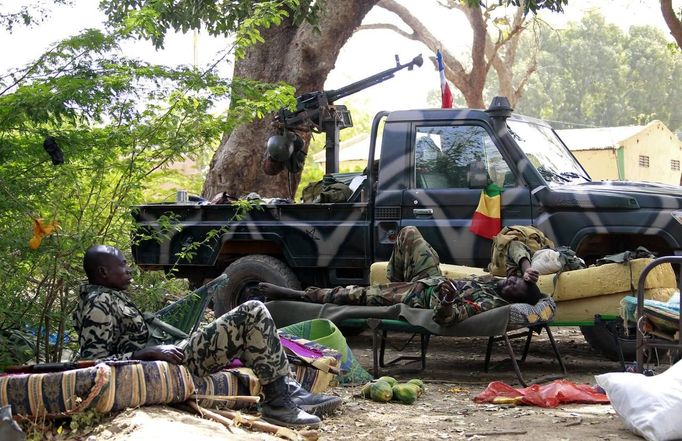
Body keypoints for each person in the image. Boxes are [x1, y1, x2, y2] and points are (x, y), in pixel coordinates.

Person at [74, 245, 342, 428]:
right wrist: (143, 354)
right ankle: (279, 405)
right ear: (103, 272)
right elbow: (91, 361)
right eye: (122, 265)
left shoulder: (110, 297)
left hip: (171, 353)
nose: (128, 270)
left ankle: (287, 392)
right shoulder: (97, 304)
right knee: (252, 310)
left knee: (250, 325)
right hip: (166, 361)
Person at [256, 226, 543, 327]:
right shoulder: (502, 282)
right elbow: (514, 244)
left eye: (515, 285)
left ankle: (298, 294)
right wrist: (527, 266)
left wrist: (446, 302)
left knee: (354, 294)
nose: (511, 280)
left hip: (421, 295)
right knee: (409, 234)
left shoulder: (490, 304)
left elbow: (450, 317)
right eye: (515, 278)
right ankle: (393, 279)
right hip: (431, 277)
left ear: (514, 299)